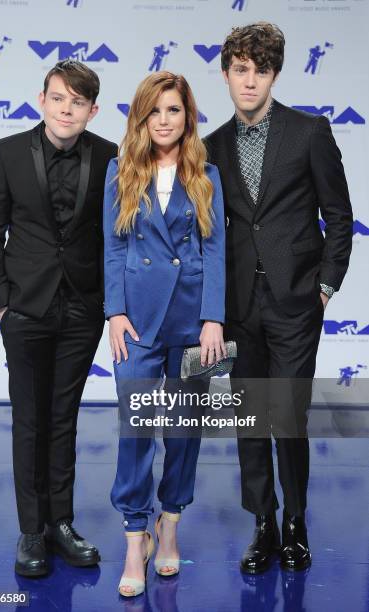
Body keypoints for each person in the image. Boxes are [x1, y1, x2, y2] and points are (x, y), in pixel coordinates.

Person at [204, 22, 352, 573]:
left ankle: (296, 521)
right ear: (225, 75)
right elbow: (208, 233)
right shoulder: (211, 146)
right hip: (240, 307)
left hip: (296, 302)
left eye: (259, 70)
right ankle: (262, 523)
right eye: (240, 69)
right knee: (249, 417)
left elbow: (339, 215)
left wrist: (326, 284)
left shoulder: (310, 132)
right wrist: (212, 310)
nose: (249, 80)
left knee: (288, 414)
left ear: (275, 74)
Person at [0, 60, 117, 577]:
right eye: (58, 98)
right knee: (28, 420)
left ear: (91, 110)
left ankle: (61, 522)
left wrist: (107, 301)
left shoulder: (108, 156)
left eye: (77, 102)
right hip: (26, 308)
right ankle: (31, 530)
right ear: (42, 100)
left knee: (64, 419)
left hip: (82, 308)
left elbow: (113, 234)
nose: (66, 108)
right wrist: (1, 301)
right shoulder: (7, 152)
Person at [103, 71, 225, 596]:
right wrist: (114, 312)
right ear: (141, 117)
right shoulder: (119, 170)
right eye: (154, 111)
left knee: (183, 431)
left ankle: (168, 526)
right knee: (136, 431)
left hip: (192, 321)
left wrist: (213, 317)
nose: (164, 120)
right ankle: (136, 537)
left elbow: (216, 249)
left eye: (173, 110)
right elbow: (111, 247)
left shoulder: (207, 174)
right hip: (137, 319)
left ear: (187, 116)